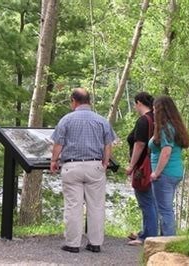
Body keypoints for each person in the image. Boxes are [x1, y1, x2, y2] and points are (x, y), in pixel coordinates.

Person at [50, 88, 116, 253]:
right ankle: (95, 243)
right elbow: (108, 144)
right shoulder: (102, 120)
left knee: (73, 206)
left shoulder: (66, 120)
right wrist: (105, 163)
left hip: (72, 166)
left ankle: (72, 244)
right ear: (89, 101)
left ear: (74, 100)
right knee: (96, 205)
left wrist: (53, 161)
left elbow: (58, 144)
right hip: (95, 166)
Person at [149, 95, 189, 236]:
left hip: (164, 174)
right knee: (166, 208)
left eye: (154, 109)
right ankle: (166, 238)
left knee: (165, 210)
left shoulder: (165, 128)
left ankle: (168, 241)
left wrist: (156, 173)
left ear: (160, 110)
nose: (153, 112)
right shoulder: (175, 127)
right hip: (175, 172)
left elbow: (166, 152)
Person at [125, 92, 157, 246]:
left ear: (138, 103)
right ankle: (147, 231)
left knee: (145, 201)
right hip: (155, 164)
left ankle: (148, 236)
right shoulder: (157, 118)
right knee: (154, 201)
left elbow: (140, 144)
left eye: (135, 104)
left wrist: (131, 165)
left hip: (143, 166)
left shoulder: (144, 120)